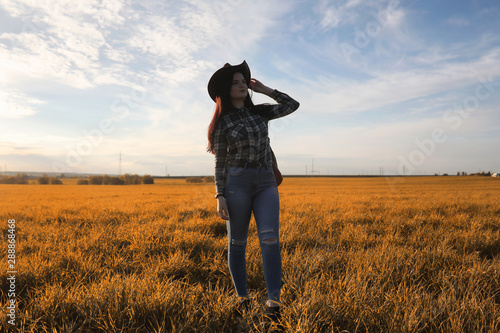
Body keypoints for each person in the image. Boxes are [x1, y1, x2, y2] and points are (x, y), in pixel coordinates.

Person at [206, 61, 299, 323]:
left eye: (243, 81)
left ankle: (274, 303)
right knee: (237, 244)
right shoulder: (223, 123)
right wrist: (219, 195)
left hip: (266, 180)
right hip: (237, 183)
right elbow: (220, 161)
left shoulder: (261, 113)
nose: (242, 84)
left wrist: (266, 89)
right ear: (226, 89)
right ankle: (243, 299)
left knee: (270, 240)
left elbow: (293, 105)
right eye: (235, 82)